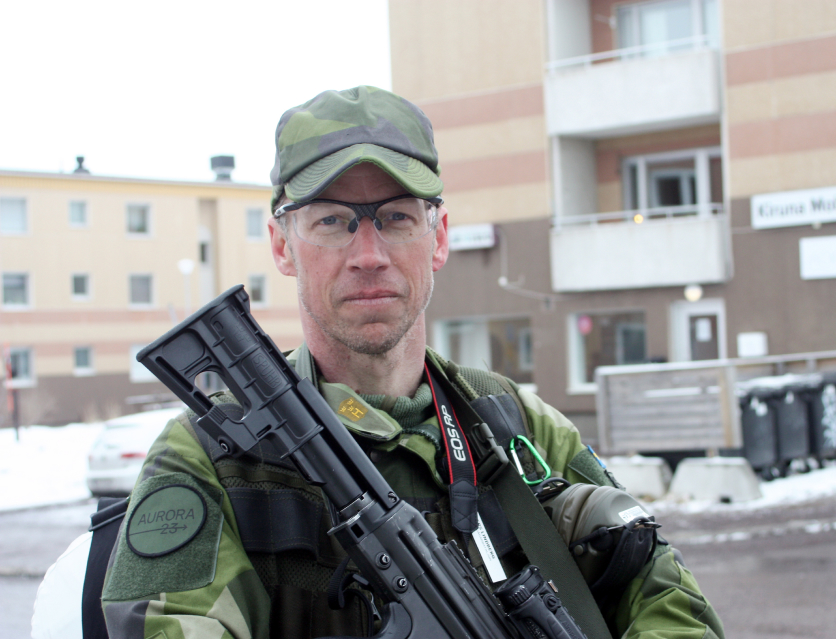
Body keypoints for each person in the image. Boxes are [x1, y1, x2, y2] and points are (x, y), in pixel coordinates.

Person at [99, 86, 724, 639]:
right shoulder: (212, 455)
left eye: (395, 217)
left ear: (440, 236)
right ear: (282, 245)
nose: (367, 253)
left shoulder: (515, 426)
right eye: (333, 221)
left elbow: (667, 599)